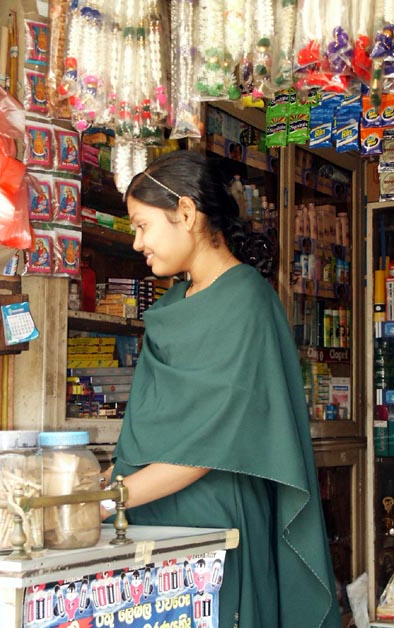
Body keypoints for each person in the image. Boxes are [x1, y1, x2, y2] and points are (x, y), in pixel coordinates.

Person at [101, 149, 341, 628]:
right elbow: (152, 428)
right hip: (150, 513)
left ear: (186, 213)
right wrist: (97, 487)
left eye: (143, 225)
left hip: (216, 523)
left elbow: (207, 447)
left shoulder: (246, 301)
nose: (136, 242)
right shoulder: (173, 303)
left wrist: (106, 499)